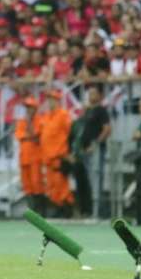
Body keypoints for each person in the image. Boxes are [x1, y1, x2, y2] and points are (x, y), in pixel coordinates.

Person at [76, 86, 111, 217]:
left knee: (96, 179)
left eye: (93, 93)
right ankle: (91, 210)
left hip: (95, 150)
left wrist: (96, 144)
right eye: (89, 93)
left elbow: (107, 129)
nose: (90, 96)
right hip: (85, 150)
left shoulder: (101, 110)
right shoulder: (87, 111)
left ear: (99, 96)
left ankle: (99, 211)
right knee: (90, 180)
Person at [39, 90, 74, 217]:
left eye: (53, 99)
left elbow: (70, 134)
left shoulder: (63, 115)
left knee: (61, 184)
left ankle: (67, 208)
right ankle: (58, 206)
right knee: (51, 185)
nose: (51, 102)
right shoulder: (46, 116)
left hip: (59, 155)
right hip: (47, 156)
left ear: (58, 100)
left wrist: (68, 152)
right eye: (49, 99)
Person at [14, 97, 44, 214]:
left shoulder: (39, 120)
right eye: (27, 107)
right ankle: (32, 211)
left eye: (30, 107)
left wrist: (29, 125)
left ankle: (40, 211)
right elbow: (19, 135)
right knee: (27, 185)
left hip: (35, 157)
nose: (28, 110)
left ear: (35, 108)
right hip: (24, 157)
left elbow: (35, 136)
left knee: (37, 184)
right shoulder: (22, 121)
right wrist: (28, 135)